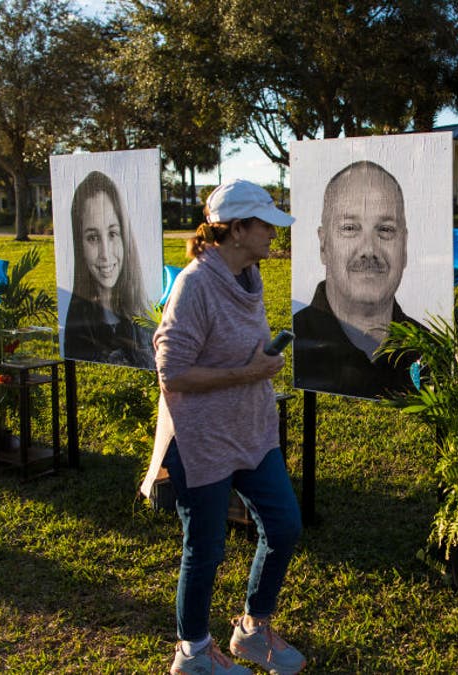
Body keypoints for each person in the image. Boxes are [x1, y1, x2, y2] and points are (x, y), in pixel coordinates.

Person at [140, 179, 306, 675]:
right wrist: (249, 373)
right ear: (237, 230)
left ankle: (253, 630)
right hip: (201, 439)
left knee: (283, 525)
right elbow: (171, 371)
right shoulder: (194, 285)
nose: (274, 236)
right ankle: (192, 654)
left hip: (251, 433)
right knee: (206, 549)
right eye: (266, 226)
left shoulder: (247, 276)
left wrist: (256, 369)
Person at [293, 160, 425, 399]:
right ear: (324, 244)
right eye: (350, 228)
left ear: (404, 246)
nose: (369, 250)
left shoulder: (432, 349)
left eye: (385, 229)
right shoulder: (299, 339)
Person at [63, 170, 154, 369]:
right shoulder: (76, 330)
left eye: (113, 234)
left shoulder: (148, 323)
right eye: (93, 238)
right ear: (80, 245)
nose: (105, 254)